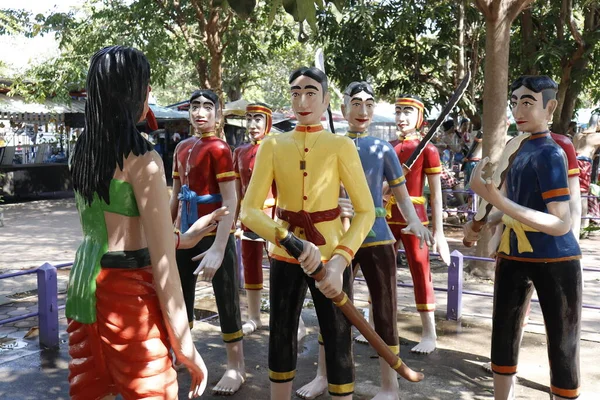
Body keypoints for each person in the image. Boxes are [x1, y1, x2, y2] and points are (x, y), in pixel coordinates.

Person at [66, 45, 212, 400]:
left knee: (90, 388)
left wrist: (182, 238)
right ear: (136, 92)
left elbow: (110, 231)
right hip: (129, 298)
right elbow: (163, 264)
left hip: (83, 288)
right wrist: (185, 345)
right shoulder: (143, 159)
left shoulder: (80, 151)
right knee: (155, 391)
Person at [240, 67, 375, 400]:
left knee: (338, 336)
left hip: (330, 257)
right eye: (295, 93)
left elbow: (366, 211)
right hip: (286, 254)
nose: (302, 100)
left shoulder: (340, 146)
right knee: (281, 332)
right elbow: (248, 211)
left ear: (326, 100)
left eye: (311, 93)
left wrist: (342, 261)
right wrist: (286, 238)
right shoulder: (272, 145)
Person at [296, 81, 434, 400]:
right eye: (356, 103)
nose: (363, 110)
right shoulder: (328, 145)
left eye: (369, 104)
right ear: (342, 109)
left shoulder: (381, 149)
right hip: (338, 237)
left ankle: (390, 385)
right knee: (331, 307)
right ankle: (322, 375)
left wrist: (414, 221)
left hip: (377, 236)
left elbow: (401, 195)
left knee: (384, 309)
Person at [466, 75, 582, 400]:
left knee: (562, 344)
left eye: (528, 102)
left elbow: (561, 224)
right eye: (515, 101)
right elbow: (506, 200)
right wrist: (483, 221)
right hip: (514, 254)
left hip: (556, 258)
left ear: (550, 107)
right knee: (502, 338)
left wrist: (497, 202)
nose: (519, 109)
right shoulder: (515, 147)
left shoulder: (552, 153)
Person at [170, 89, 246, 395]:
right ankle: (183, 354)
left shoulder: (219, 148)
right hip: (186, 235)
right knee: (180, 297)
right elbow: (174, 194)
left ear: (218, 113)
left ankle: (236, 366)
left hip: (216, 233)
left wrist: (219, 246)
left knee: (227, 299)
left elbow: (231, 198)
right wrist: (166, 231)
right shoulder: (182, 147)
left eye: (207, 107)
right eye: (195, 107)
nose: (200, 112)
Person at [386, 94, 450, 354]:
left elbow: (436, 193)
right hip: (387, 215)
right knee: (381, 272)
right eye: (398, 111)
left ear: (419, 118)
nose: (401, 117)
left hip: (416, 217)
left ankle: (429, 333)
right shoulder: (387, 147)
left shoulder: (429, 149)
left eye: (407, 112)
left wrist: (440, 232)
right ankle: (379, 326)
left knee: (421, 273)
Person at [232, 102, 277, 335]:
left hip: (272, 216)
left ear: (268, 121)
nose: (252, 125)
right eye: (249, 119)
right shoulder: (239, 152)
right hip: (248, 218)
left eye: (258, 119)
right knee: (250, 265)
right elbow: (237, 189)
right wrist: (235, 218)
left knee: (278, 267)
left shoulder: (278, 148)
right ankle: (254, 317)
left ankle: (289, 319)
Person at [574, 114, 600, 237]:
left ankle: (574, 223)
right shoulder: (597, 137)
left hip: (573, 160)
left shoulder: (578, 135)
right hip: (584, 163)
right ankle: (582, 226)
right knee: (583, 194)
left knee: (573, 192)